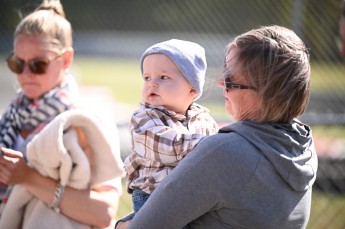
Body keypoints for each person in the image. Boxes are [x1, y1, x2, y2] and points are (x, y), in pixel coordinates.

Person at [117, 25, 318, 229]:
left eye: (231, 79)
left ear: (264, 92)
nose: (221, 83)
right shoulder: (301, 147)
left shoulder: (225, 150)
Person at [0, 1, 123, 228]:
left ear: (66, 60)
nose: (25, 74)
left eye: (38, 65)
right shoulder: (9, 119)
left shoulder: (87, 117)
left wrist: (28, 178)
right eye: (18, 63)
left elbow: (104, 212)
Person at [118, 39, 218, 226]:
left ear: (192, 88)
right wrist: (211, 146)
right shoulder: (144, 118)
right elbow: (168, 147)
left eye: (163, 77)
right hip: (153, 196)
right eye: (147, 78)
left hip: (193, 198)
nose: (152, 84)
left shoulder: (204, 119)